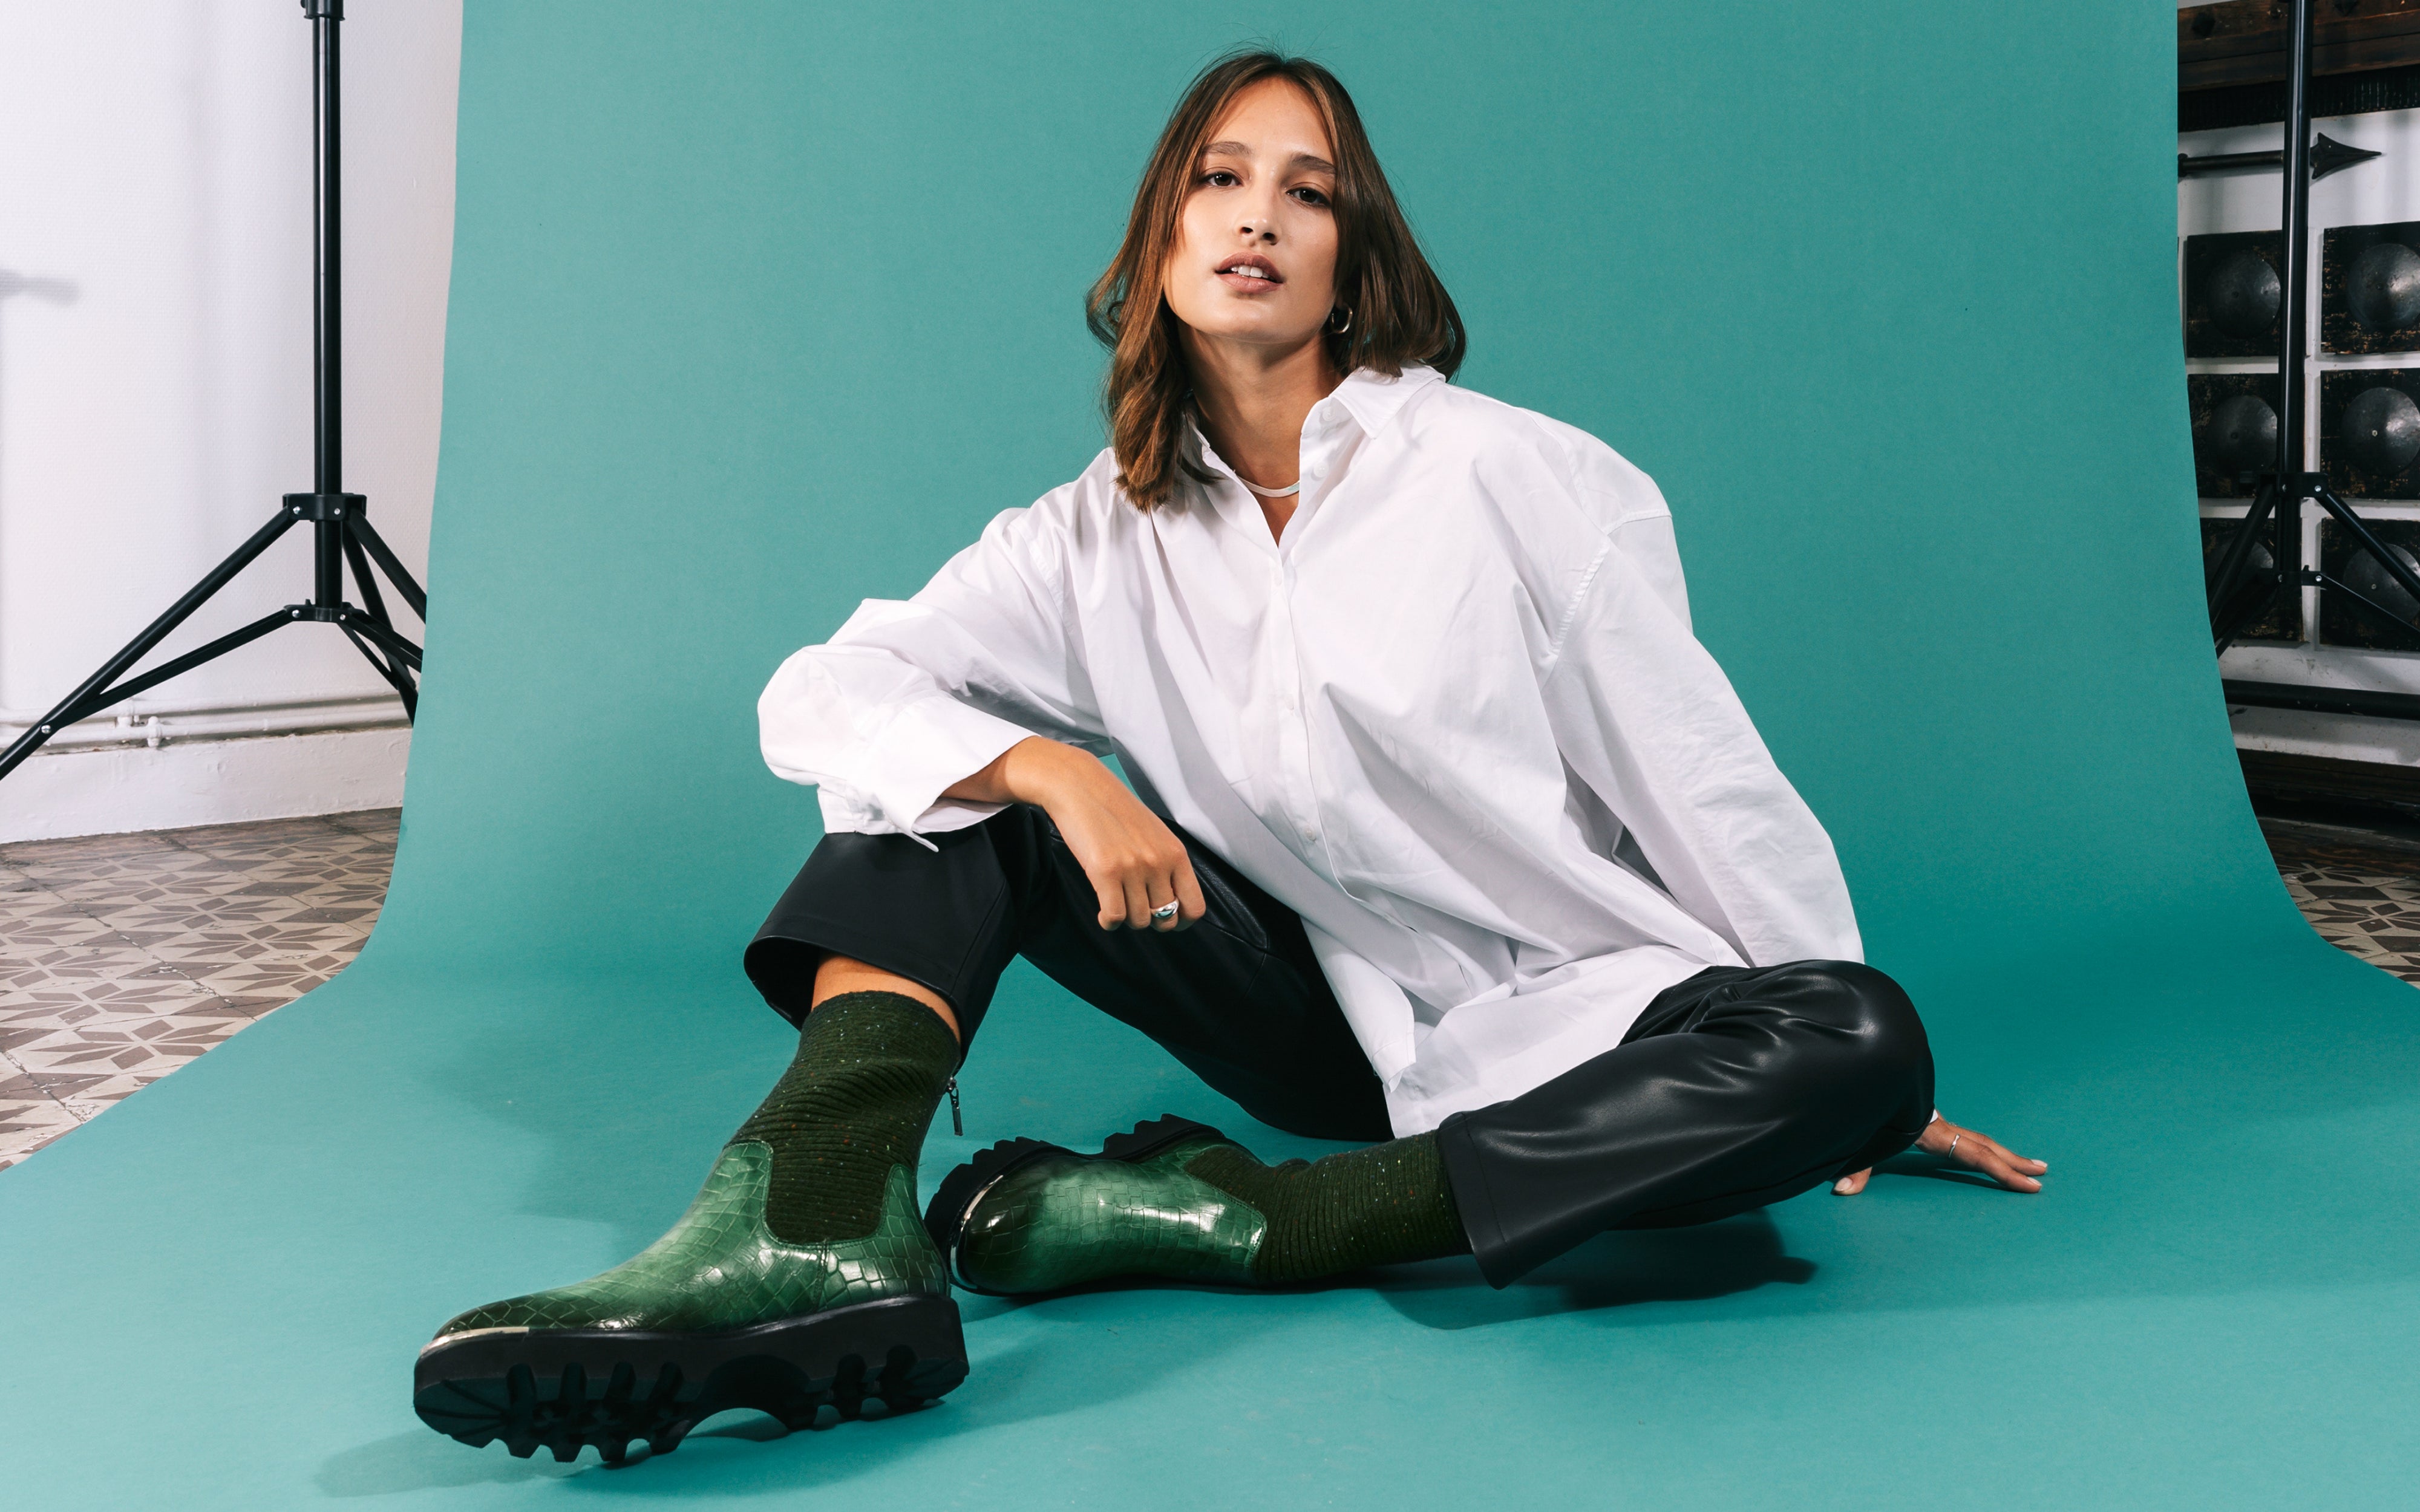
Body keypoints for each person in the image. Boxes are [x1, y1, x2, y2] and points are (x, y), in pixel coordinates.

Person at [413, 50, 2048, 1466]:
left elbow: (1701, 772)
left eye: (1307, 192)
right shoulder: (1091, 538)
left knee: (1861, 1034)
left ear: (1354, 261)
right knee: (943, 786)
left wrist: (1836, 1048)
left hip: (1602, 1017)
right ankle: (816, 1214)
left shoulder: (1509, 477)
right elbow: (825, 690)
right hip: (1332, 1023)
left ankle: (1249, 1214)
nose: (1258, 215)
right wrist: (1054, 771)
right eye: (1220, 178)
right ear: (1163, 237)